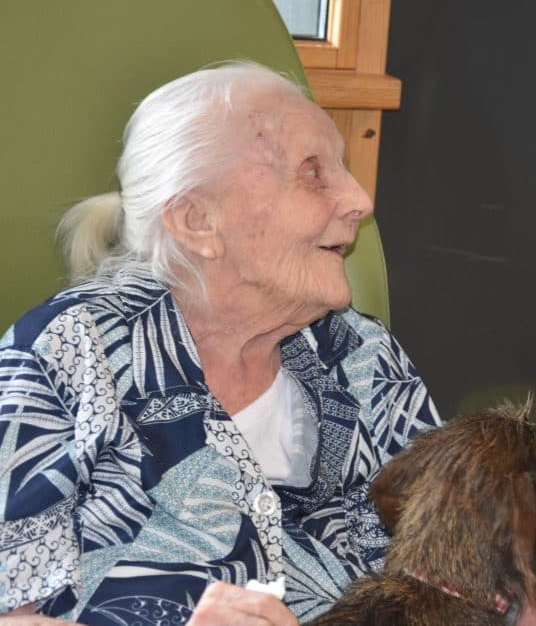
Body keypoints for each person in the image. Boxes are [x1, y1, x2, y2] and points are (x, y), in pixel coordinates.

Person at [0, 62, 442, 625]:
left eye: (343, 169)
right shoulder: (67, 356)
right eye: (312, 172)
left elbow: (471, 537)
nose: (358, 199)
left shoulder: (361, 355)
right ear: (197, 221)